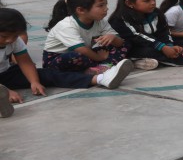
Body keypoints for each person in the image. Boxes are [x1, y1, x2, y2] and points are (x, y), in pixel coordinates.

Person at [1, 8, 134, 116]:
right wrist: (7, 91)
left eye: (14, 36)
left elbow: (25, 62)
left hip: (6, 74)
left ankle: (100, 79)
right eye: (4, 37)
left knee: (50, 74)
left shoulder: (15, 41)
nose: (9, 40)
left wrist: (34, 81)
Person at [42, 0, 128, 74]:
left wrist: (113, 38)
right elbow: (81, 49)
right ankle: (101, 66)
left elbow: (120, 43)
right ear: (81, 10)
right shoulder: (66, 25)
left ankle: (100, 67)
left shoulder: (100, 21)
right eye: (101, 5)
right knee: (75, 56)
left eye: (106, 4)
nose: (106, 9)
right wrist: (99, 58)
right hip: (58, 59)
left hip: (88, 53)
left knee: (125, 43)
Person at [108, 0, 183, 69]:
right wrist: (162, 47)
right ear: (129, 3)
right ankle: (133, 60)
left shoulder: (156, 13)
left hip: (152, 42)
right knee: (156, 53)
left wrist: (169, 46)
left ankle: (157, 58)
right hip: (131, 47)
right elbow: (137, 36)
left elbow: (164, 31)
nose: (153, 3)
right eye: (147, 1)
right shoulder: (120, 18)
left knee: (182, 44)